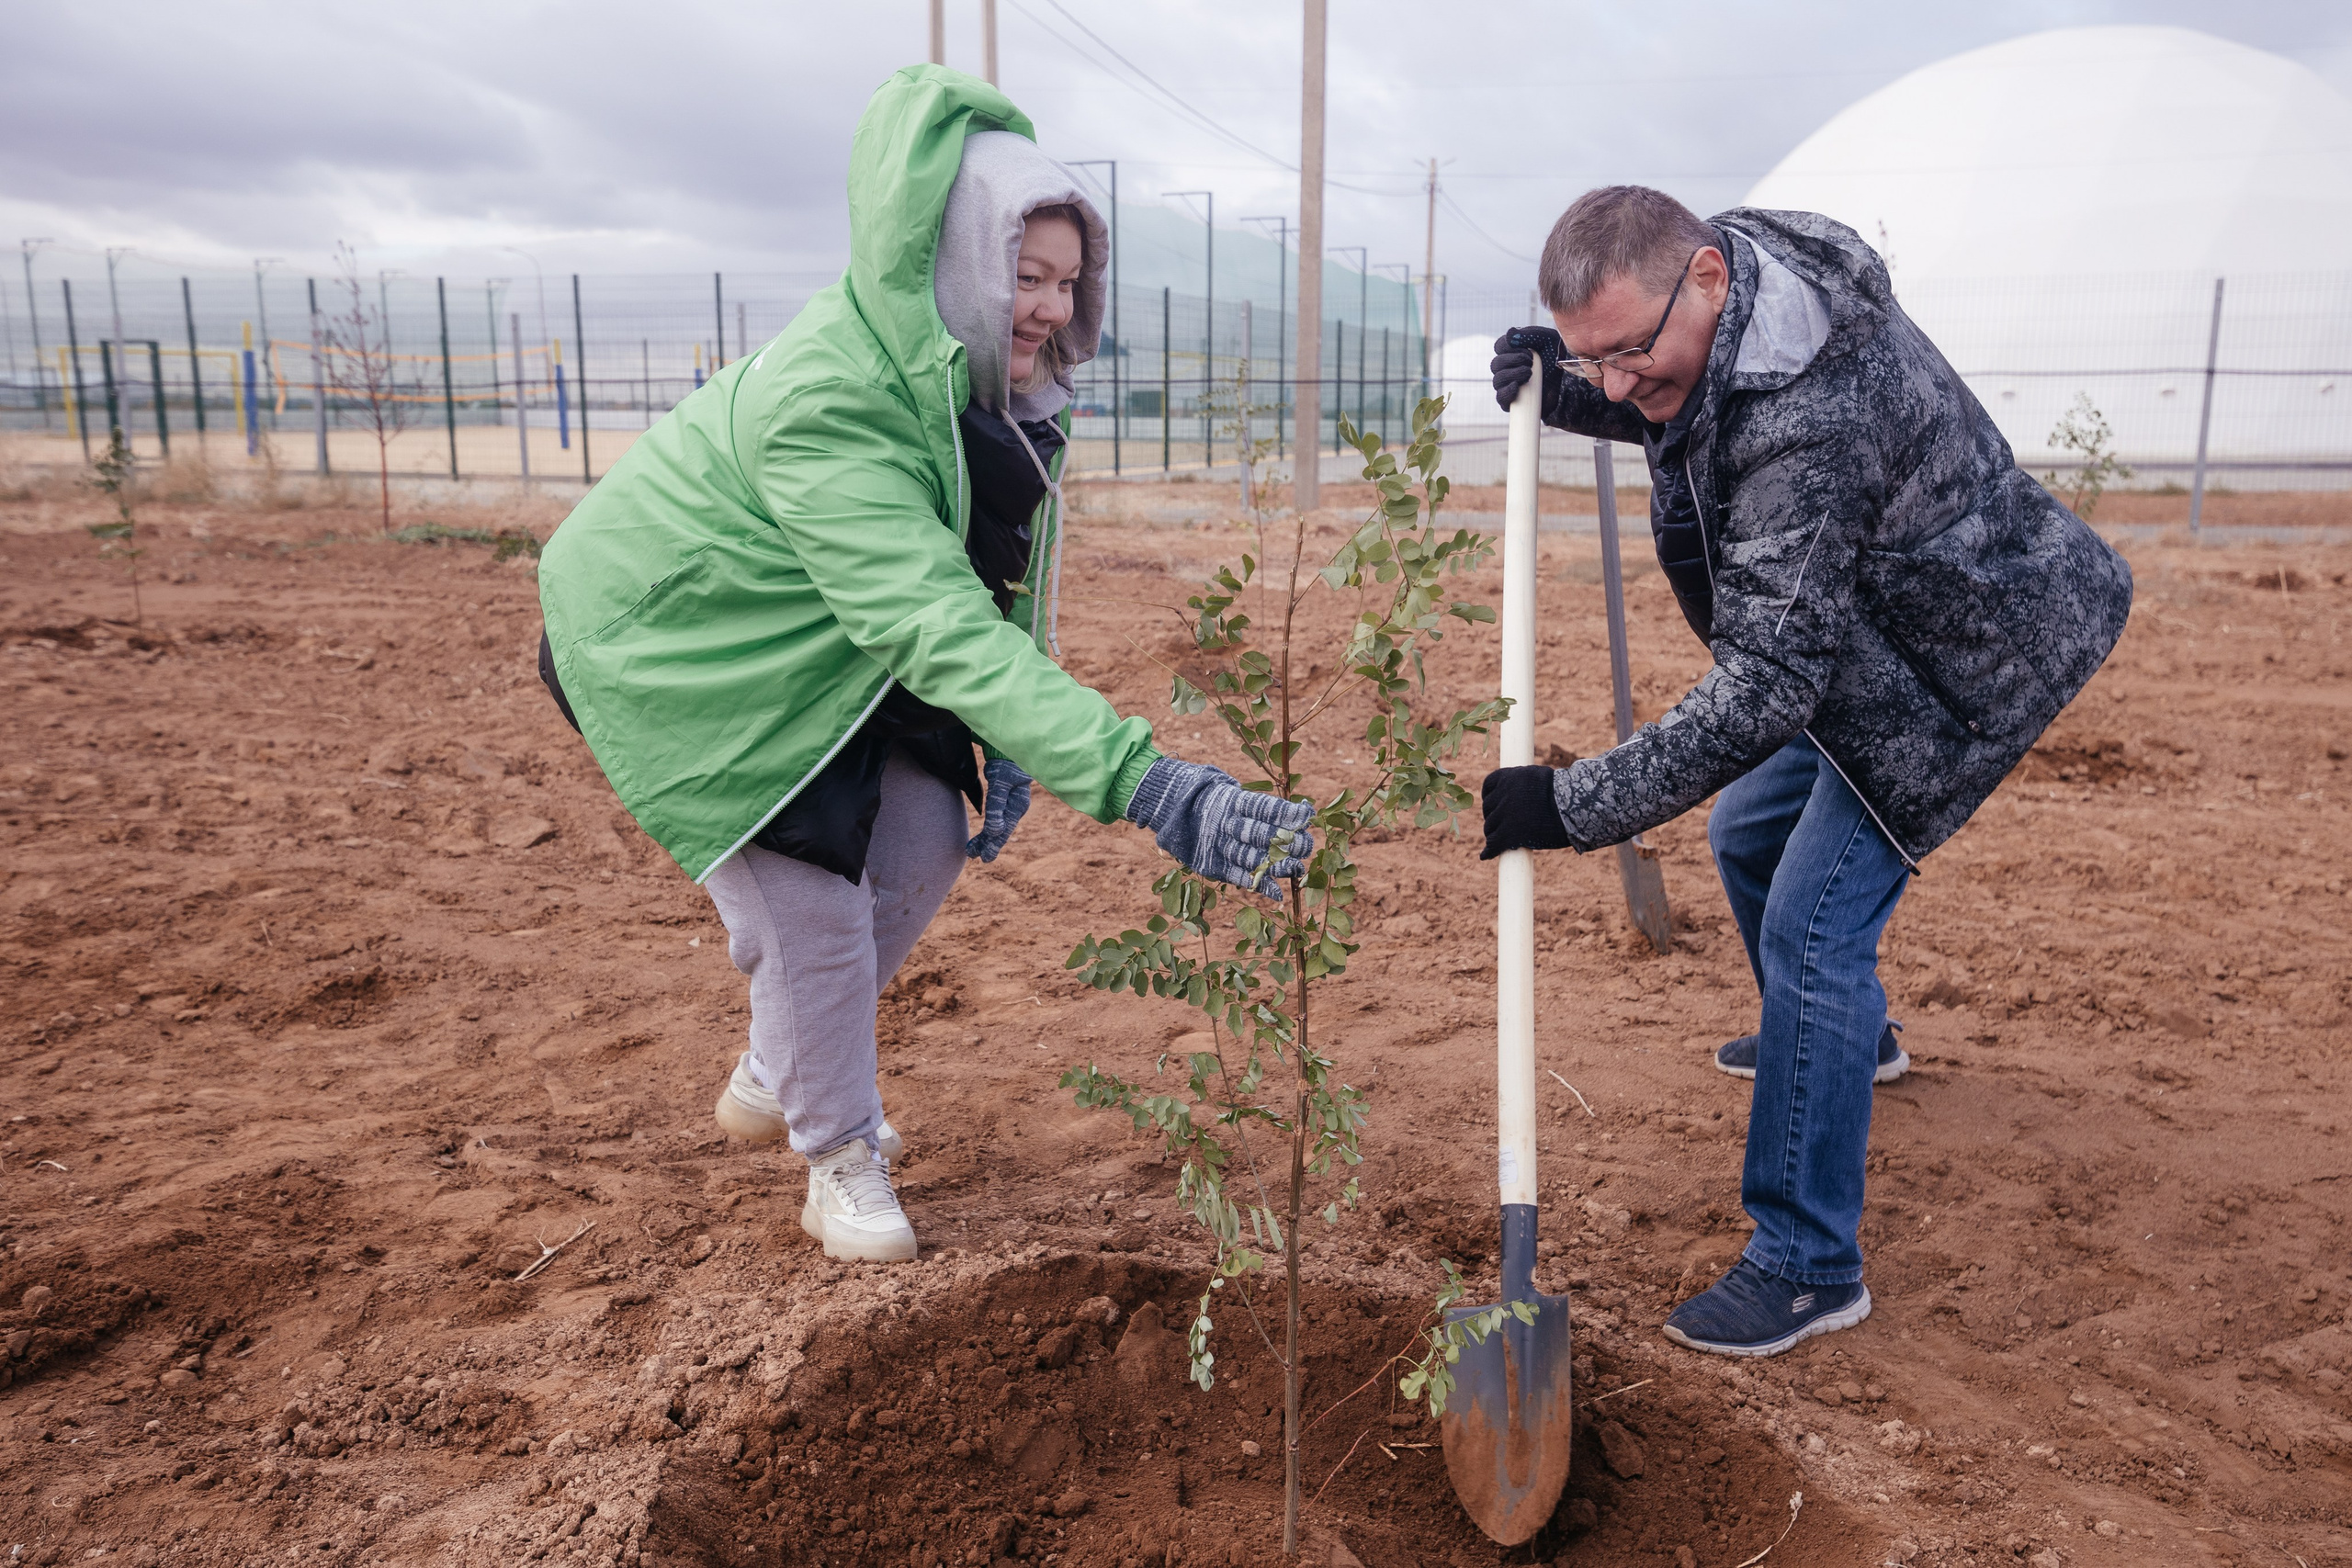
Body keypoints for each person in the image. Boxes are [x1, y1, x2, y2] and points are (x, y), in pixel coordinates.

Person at [535, 66, 1312, 1265]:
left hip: (818, 638)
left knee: (923, 842)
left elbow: (1009, 581)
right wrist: (1156, 787)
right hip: (677, 647)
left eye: (1066, 280)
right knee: (813, 912)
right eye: (1024, 275)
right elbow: (934, 626)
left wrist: (1004, 745)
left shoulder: (997, 392)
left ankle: (784, 1048)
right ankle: (838, 1153)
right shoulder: (829, 395)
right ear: (956, 259)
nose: (1048, 306)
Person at [1481, 186, 2132, 1357]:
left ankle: (1806, 1262)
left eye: (1628, 351)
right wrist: (1570, 387)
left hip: (1966, 660)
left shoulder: (1814, 417)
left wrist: (1566, 805)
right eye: (1597, 355)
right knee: (1743, 839)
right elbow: (1694, 406)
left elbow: (1768, 686)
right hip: (1867, 637)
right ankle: (1849, 1045)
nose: (1623, 380)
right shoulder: (1732, 289)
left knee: (1812, 932)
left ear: (1709, 280)